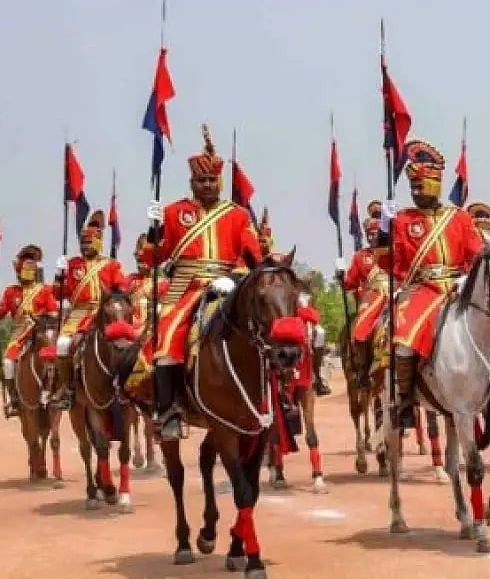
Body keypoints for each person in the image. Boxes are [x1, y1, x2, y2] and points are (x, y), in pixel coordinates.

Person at [143, 124, 262, 441]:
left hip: (227, 287)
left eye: (212, 180)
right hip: (186, 289)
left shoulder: (237, 215)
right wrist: (154, 233)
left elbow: (252, 253)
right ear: (192, 182)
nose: (207, 185)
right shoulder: (174, 212)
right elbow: (153, 258)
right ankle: (168, 411)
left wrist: (234, 276)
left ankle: (276, 402)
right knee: (166, 341)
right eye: (201, 180)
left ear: (220, 182)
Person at [384, 139, 484, 427]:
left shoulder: (459, 218)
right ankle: (404, 399)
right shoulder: (403, 220)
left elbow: (476, 254)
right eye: (412, 187)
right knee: (403, 338)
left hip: (458, 286)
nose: (415, 192)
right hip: (423, 290)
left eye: (420, 186)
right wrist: (383, 233)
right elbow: (388, 263)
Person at [50, 211, 127, 408]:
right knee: (63, 345)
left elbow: (122, 289)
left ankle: (127, 384)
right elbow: (59, 294)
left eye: (89, 242)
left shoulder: (111, 265)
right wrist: (59, 276)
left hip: (105, 313)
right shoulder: (73, 265)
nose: (85, 246)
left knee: (124, 343)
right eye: (83, 243)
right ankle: (68, 388)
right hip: (78, 314)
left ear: (99, 243)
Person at [256, 208, 332, 395]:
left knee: (319, 333)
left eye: (266, 240)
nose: (263, 244)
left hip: (286, 310)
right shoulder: (252, 262)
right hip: (262, 311)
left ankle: (317, 375)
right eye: (260, 240)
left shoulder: (279, 260)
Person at [0, 244, 58, 417]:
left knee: (53, 357)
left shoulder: (44, 290)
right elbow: (0, 315)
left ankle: (52, 391)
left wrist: (40, 319)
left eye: (28, 268)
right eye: (21, 269)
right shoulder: (11, 292)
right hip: (19, 334)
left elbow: (54, 313)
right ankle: (13, 398)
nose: (23, 273)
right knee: (8, 363)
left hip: (40, 331)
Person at [337, 200, 389, 387]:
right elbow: (350, 283)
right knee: (360, 329)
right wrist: (341, 277)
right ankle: (363, 370)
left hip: (393, 293)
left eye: (376, 232)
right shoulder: (361, 256)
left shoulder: (392, 250)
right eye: (369, 233)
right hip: (372, 296)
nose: (372, 236)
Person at [126, 233, 168, 327]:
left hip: (154, 329)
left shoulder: (162, 283)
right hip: (131, 329)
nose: (141, 265)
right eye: (139, 261)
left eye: (144, 261)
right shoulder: (130, 280)